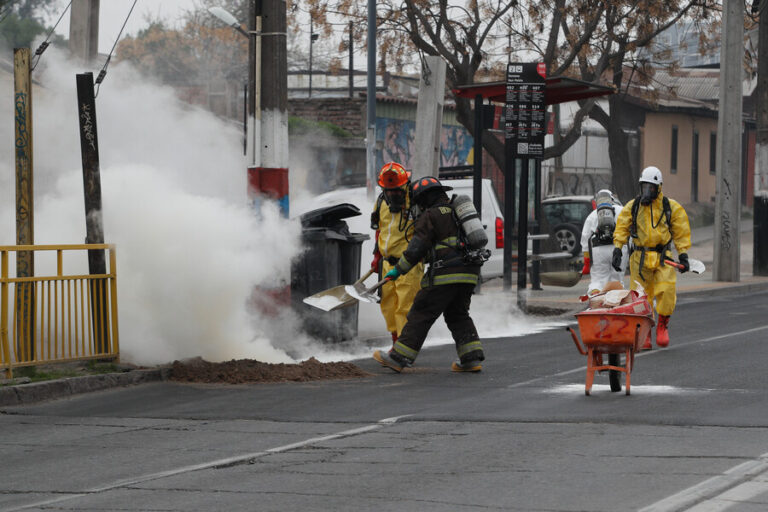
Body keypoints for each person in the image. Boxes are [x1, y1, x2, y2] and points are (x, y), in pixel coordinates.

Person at [373, 176, 485, 373]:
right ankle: (471, 358)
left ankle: (399, 357)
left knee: (421, 312)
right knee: (457, 314)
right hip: (469, 272)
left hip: (446, 274)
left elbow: (416, 249)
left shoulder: (430, 215)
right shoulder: (456, 211)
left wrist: (398, 270)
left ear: (425, 198)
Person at [612, 166, 692, 350]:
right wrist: (618, 248)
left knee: (666, 291)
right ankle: (644, 332)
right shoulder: (633, 207)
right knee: (640, 298)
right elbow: (622, 227)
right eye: (644, 187)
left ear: (659, 188)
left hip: (663, 258)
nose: (647, 191)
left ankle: (662, 326)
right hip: (639, 258)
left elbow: (681, 232)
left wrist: (683, 255)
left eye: (651, 188)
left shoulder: (670, 207)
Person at [370, 162, 423, 345]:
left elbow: (425, 233)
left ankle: (404, 347)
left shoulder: (415, 203)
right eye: (388, 191)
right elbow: (380, 230)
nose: (393, 194)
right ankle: (396, 341)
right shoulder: (380, 202)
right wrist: (377, 256)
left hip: (408, 265)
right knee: (387, 305)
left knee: (405, 308)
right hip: (387, 263)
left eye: (396, 190)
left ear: (404, 186)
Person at [580, 189, 628, 295]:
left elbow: (585, 239)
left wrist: (587, 262)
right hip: (619, 249)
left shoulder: (593, 214)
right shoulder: (622, 210)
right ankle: (615, 302)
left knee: (598, 279)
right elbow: (631, 230)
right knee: (616, 279)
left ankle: (596, 297)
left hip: (598, 249)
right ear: (612, 199)